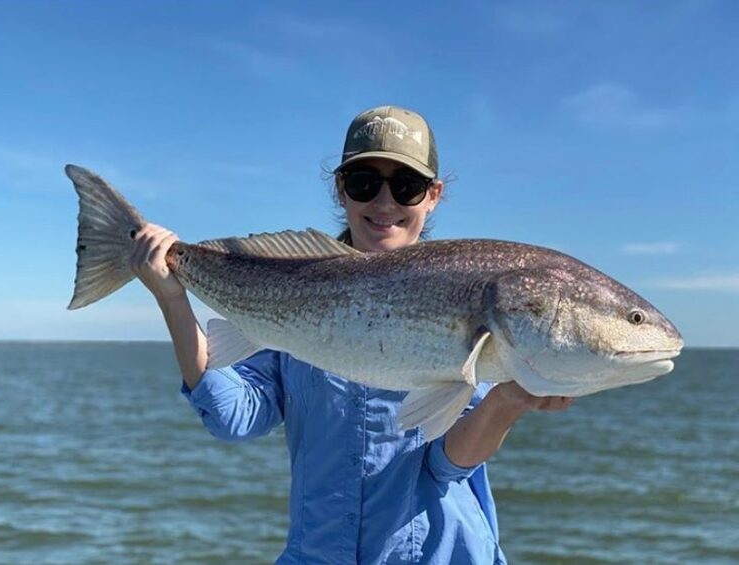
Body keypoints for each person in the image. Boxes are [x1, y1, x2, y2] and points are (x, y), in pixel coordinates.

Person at [129, 105, 573, 564]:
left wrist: (507, 402)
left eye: (406, 186)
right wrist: (172, 298)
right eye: (364, 182)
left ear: (433, 195)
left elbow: (447, 463)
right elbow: (232, 416)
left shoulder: (462, 289)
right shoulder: (290, 288)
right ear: (341, 189)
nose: (384, 204)